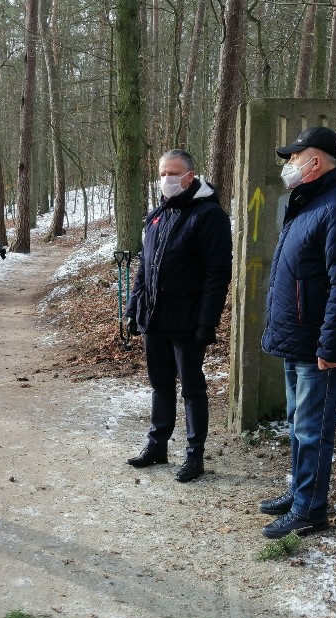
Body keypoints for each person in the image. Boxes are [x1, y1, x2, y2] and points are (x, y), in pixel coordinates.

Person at [258, 126, 336, 539]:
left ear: (315, 161)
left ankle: (310, 509)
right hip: (298, 339)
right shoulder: (306, 205)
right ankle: (298, 493)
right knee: (297, 424)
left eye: (293, 158)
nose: (288, 165)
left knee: (313, 430)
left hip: (319, 346)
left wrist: (331, 344)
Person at [124, 149, 232, 482]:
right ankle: (157, 445)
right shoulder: (157, 216)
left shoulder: (209, 215)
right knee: (160, 384)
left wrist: (207, 321)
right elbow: (145, 267)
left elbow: (217, 273)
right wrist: (132, 309)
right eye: (161, 174)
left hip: (187, 319)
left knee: (192, 388)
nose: (166, 180)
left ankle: (194, 455)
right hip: (155, 316)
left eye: (172, 173)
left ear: (189, 176)